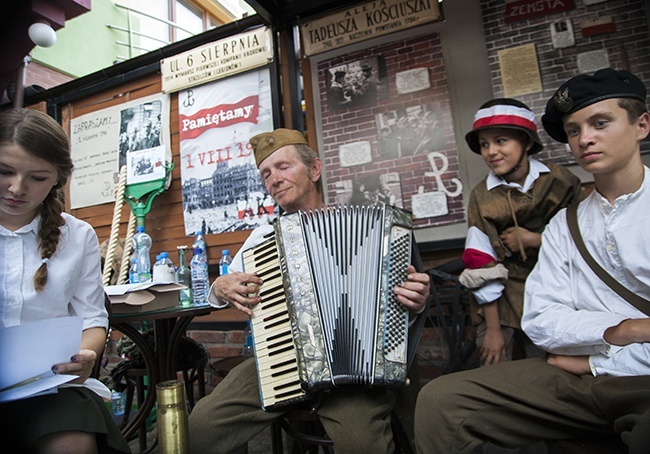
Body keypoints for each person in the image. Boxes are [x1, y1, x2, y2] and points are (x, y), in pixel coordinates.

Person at [415, 68, 650, 453]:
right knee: (444, 399)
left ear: (641, 125)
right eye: (574, 130)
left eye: (601, 123)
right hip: (525, 311)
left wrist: (594, 358)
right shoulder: (560, 223)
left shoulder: (560, 182)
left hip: (612, 368)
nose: (585, 138)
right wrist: (628, 330)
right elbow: (539, 318)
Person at [189, 128, 431, 454]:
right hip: (281, 357)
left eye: (284, 166)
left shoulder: (377, 232)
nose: (274, 179)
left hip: (356, 372)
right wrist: (221, 285)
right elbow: (222, 291)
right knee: (201, 425)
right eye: (266, 173)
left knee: (363, 445)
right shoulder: (262, 240)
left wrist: (415, 302)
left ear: (314, 170)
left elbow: (403, 307)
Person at [0, 109, 131, 454]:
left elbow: (92, 316)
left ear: (58, 179)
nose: (17, 188)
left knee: (72, 436)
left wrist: (87, 354)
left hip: (49, 387)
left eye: (37, 178)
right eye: (3, 171)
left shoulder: (77, 236)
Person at [459, 98, 584, 365]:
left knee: (553, 365)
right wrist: (493, 330)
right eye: (484, 144)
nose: (491, 151)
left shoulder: (561, 181)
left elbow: (585, 239)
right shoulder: (481, 197)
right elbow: (481, 263)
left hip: (558, 288)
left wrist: (535, 240)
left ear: (526, 142)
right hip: (501, 295)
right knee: (494, 362)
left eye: (501, 140)